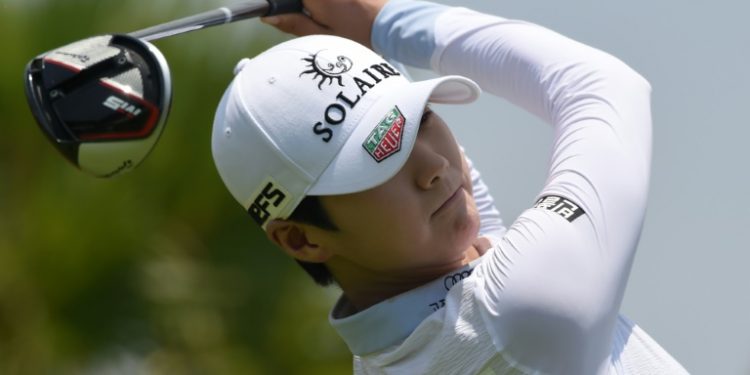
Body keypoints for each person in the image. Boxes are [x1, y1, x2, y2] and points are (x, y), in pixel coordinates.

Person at [211, 0, 689, 373]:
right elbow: (606, 86)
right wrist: (386, 20)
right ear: (301, 238)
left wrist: (363, 56)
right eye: (378, 159)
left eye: (423, 118)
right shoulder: (517, 312)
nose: (436, 166)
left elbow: (468, 223)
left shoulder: (403, 343)